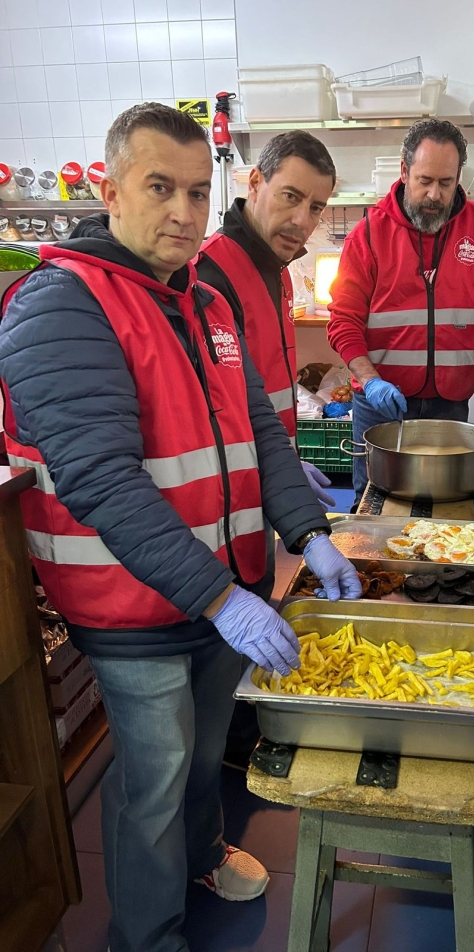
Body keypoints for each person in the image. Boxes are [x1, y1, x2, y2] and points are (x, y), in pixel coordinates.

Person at [0, 103, 362, 952]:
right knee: (156, 777)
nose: (183, 211)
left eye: (198, 192)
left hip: (220, 584)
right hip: (133, 603)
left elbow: (259, 431)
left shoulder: (202, 300)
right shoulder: (61, 305)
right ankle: (146, 934)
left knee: (200, 757)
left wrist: (308, 532)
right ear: (112, 188)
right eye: (160, 187)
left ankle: (200, 859)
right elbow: (101, 480)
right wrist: (220, 598)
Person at [326, 118, 474, 509]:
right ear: (404, 170)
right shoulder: (368, 234)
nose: (434, 194)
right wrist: (370, 381)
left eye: (446, 183)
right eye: (424, 180)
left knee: (447, 507)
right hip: (381, 402)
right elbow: (343, 321)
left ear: (459, 178)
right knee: (374, 506)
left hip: (449, 401)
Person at [197, 130, 337, 510]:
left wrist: (283, 467)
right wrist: (273, 471)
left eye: (315, 208)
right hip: (233, 490)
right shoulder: (211, 276)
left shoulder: (279, 271)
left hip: (269, 477)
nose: (301, 221)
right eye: (290, 196)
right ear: (256, 183)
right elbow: (213, 414)